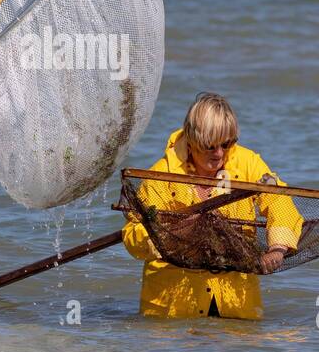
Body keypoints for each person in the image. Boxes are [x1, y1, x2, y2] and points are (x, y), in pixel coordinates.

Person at [122, 93, 303, 320]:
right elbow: (132, 237)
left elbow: (279, 200)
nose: (219, 154)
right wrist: (171, 234)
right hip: (172, 312)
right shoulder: (162, 174)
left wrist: (278, 249)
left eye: (226, 144)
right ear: (191, 139)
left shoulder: (248, 164)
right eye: (210, 146)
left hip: (236, 307)